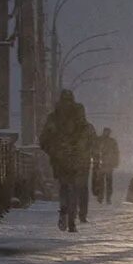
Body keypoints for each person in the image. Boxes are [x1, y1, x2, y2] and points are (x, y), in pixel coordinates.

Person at [39, 90, 92, 232]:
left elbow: (43, 140)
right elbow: (87, 135)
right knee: (74, 187)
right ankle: (72, 220)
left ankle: (63, 209)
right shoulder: (79, 115)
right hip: (76, 157)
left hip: (59, 158)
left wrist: (52, 151)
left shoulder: (54, 117)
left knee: (63, 185)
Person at [75, 107, 96, 224]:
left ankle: (71, 211)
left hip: (72, 162)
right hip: (84, 161)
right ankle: (82, 214)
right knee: (82, 188)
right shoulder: (89, 128)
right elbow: (94, 145)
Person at [96, 127, 120, 204]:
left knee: (105, 182)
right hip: (104, 164)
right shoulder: (110, 141)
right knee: (103, 182)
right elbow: (116, 153)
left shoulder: (101, 140)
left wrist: (115, 162)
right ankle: (103, 198)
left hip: (106, 165)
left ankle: (105, 198)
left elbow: (116, 153)